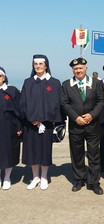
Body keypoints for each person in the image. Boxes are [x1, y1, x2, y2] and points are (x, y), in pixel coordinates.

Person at [61, 57, 104, 195]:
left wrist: (92, 115)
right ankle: (79, 179)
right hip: (75, 125)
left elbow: (101, 101)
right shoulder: (67, 84)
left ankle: (94, 182)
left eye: (80, 68)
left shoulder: (96, 83)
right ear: (72, 70)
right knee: (77, 154)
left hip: (92, 125)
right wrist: (76, 117)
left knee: (94, 154)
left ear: (86, 69)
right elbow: (64, 104)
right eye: (75, 69)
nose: (78, 71)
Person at [19, 54, 63, 190]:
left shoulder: (55, 83)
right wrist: (32, 119)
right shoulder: (28, 82)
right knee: (32, 151)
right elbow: (23, 103)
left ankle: (44, 177)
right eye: (35, 64)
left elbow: (56, 104)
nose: (38, 67)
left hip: (47, 124)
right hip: (30, 124)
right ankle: (35, 177)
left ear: (46, 65)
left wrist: (43, 119)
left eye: (40, 64)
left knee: (44, 151)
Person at [0, 67, 22, 190]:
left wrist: (19, 126)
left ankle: (7, 177)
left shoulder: (12, 91)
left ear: (4, 77)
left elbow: (19, 110)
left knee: (8, 152)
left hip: (8, 127)